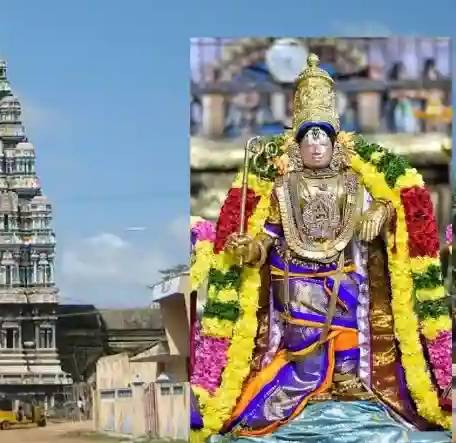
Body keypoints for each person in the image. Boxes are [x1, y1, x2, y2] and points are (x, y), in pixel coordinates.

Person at [190, 55, 452, 442]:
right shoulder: (283, 188)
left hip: (343, 275)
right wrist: (250, 248)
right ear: (297, 146)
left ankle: (346, 385)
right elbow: (271, 236)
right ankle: (306, 396)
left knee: (351, 333)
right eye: (308, 137)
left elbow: (389, 210)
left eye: (321, 137)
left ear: (334, 143)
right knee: (305, 355)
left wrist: (381, 211)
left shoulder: (354, 183)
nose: (315, 145)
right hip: (295, 279)